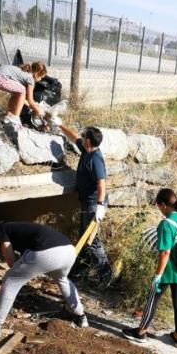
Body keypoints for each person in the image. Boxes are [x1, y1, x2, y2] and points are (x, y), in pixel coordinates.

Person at [0, 221, 88, 338]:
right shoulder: (22, 230)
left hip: (47, 252)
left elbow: (11, 262)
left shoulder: (3, 230)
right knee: (62, 279)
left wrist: (3, 283)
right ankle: (81, 316)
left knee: (11, 281)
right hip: (69, 251)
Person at [122, 188, 177, 348]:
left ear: (163, 205)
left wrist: (157, 275)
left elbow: (165, 253)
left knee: (153, 298)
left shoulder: (166, 224)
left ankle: (141, 333)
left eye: (158, 206)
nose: (158, 209)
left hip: (168, 269)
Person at [53, 122, 112, 285]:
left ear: (89, 141)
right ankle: (81, 270)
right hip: (88, 202)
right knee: (83, 236)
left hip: (95, 204)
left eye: (84, 136)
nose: (82, 137)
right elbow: (73, 137)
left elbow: (101, 183)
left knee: (92, 240)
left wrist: (100, 206)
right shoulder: (86, 150)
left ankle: (106, 274)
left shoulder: (95, 159)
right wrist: (60, 125)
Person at [0, 61, 47, 130]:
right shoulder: (30, 79)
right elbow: (30, 100)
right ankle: (15, 118)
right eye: (41, 77)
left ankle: (9, 114)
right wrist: (39, 111)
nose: (40, 80)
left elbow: (23, 100)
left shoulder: (24, 73)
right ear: (37, 73)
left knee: (17, 93)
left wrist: (33, 106)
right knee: (22, 90)